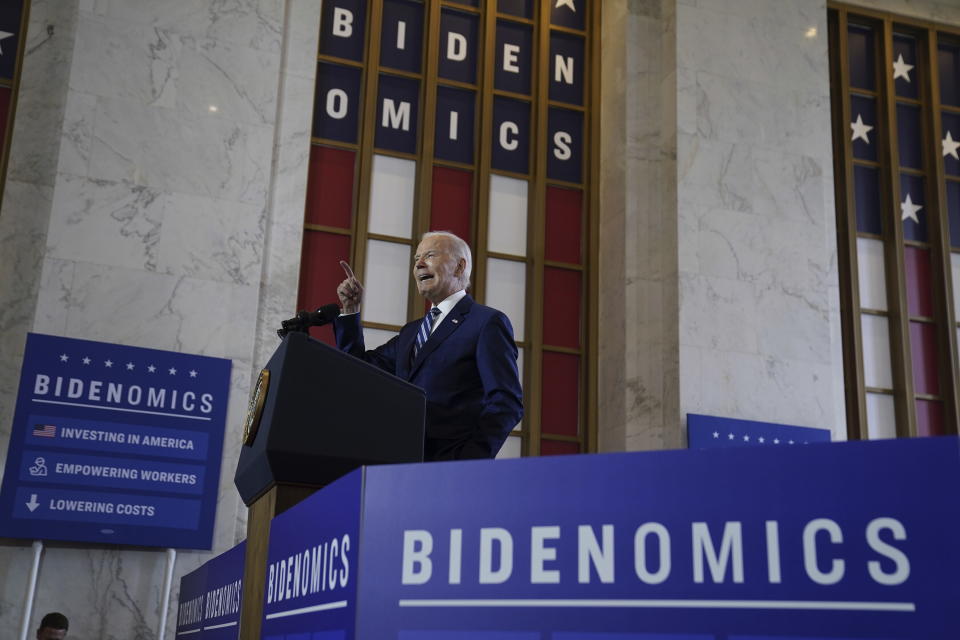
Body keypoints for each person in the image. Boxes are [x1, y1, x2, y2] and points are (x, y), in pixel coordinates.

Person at [334, 231, 523, 460]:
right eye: (416, 259)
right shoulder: (410, 332)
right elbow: (359, 370)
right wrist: (350, 310)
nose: (419, 264)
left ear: (459, 267)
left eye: (430, 255)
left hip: (452, 466)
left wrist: (470, 458)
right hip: (400, 463)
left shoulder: (486, 323)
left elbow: (506, 401)